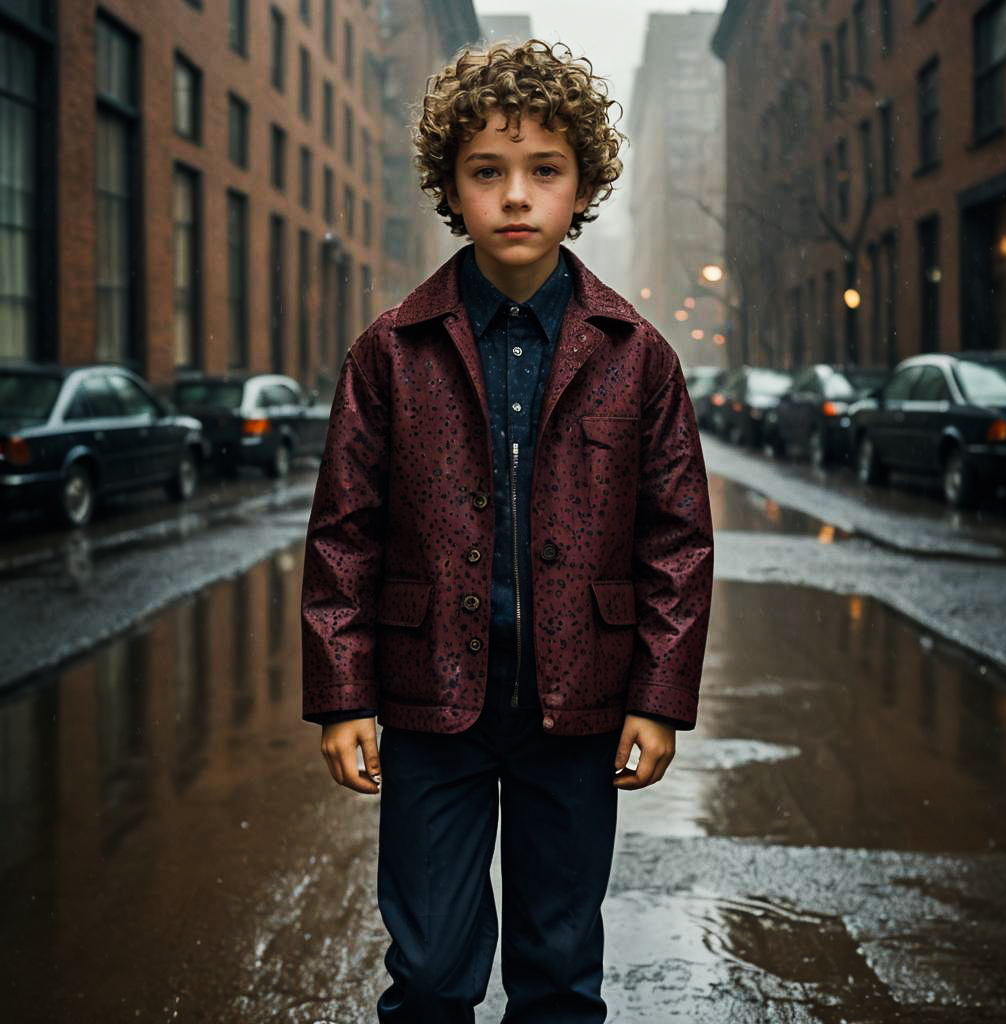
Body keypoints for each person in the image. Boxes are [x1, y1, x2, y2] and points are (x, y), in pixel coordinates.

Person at [300, 38, 714, 1024]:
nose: (516, 196)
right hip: (427, 704)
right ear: (453, 186)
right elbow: (343, 534)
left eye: (543, 171)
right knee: (432, 970)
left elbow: (676, 540)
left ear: (583, 186)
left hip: (575, 710)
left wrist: (656, 698)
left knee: (559, 970)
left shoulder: (635, 355)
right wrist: (342, 695)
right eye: (488, 172)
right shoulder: (390, 351)